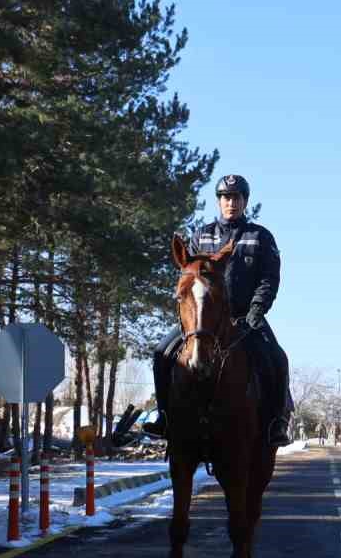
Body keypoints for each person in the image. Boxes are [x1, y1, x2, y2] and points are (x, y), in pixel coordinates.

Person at [120, 174, 292, 448]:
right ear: (218, 201)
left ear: (245, 201)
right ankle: (164, 416)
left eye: (236, 197)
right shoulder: (201, 235)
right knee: (162, 353)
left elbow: (269, 279)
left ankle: (276, 422)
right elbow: (187, 275)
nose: (231, 203)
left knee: (278, 358)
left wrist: (256, 311)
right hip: (202, 320)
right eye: (225, 197)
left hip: (246, 318)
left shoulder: (260, 237)